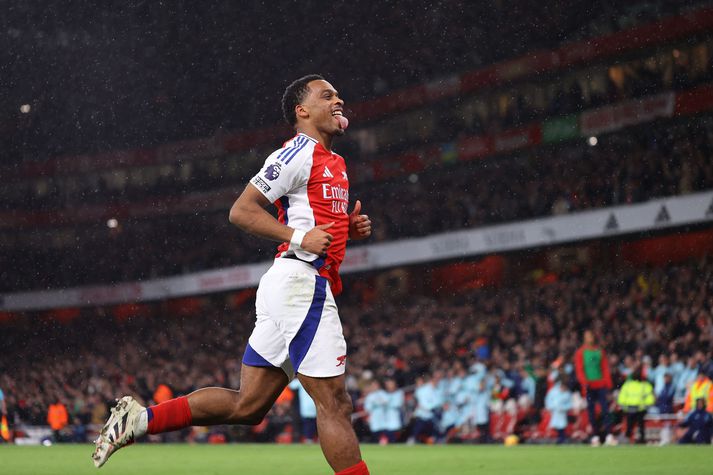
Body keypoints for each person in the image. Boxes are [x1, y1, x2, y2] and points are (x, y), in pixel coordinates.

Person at [92, 74, 372, 475]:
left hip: (290, 284)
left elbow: (314, 223)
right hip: (300, 284)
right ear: (302, 111)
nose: (338, 100)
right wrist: (298, 237)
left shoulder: (335, 162)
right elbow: (241, 211)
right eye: (327, 95)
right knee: (334, 403)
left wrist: (348, 226)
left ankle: (139, 420)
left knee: (248, 405)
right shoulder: (296, 153)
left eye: (338, 94)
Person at [574, 330, 613, 444]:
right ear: (584, 338)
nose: (589, 338)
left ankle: (609, 435)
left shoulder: (600, 352)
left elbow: (605, 368)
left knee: (605, 410)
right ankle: (595, 436)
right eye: (587, 336)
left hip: (600, 385)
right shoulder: (581, 352)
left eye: (591, 336)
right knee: (591, 411)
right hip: (589, 386)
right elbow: (580, 369)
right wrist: (584, 382)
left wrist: (608, 384)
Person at [616, 369, 654, 443]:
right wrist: (646, 405)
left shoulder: (627, 385)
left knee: (630, 425)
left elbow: (621, 397)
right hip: (640, 409)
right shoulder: (645, 385)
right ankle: (641, 439)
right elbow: (650, 398)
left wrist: (623, 406)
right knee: (640, 425)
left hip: (630, 408)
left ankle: (628, 439)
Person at [545, 373, 573, 444]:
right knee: (556, 425)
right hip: (554, 411)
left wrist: (563, 408)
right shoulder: (553, 391)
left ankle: (562, 438)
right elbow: (548, 400)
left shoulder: (567, 393)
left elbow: (570, 404)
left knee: (562, 425)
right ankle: (559, 438)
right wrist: (550, 407)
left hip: (563, 412)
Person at [288, 378, 317, 443]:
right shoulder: (316, 381)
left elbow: (291, 385)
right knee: (314, 424)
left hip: (306, 407)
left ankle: (309, 439)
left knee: (308, 424)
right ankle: (313, 439)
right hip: (315, 406)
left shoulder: (302, 381)